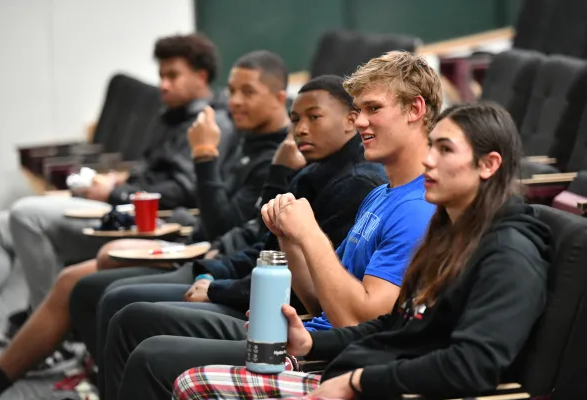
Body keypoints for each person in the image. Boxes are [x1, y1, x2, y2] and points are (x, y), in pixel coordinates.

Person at [104, 50, 443, 400]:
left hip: (328, 359)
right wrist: (291, 240)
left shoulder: (417, 208)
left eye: (373, 109)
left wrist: (309, 233)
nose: (360, 122)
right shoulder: (381, 196)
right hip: (309, 333)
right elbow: (318, 300)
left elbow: (357, 323)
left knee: (151, 355)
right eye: (359, 111)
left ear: (415, 110)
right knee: (133, 319)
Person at [173, 102, 552, 400]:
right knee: (192, 378)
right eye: (431, 145)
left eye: (445, 149)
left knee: (197, 384)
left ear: (488, 165)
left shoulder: (509, 255)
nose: (428, 160)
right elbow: (396, 324)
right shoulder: (450, 234)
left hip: (393, 391)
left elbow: (471, 366)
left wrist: (359, 381)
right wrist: (309, 342)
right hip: (365, 376)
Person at [0, 49, 289, 399]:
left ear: (279, 97)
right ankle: (80, 376)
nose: (235, 101)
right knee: (75, 270)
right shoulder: (245, 138)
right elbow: (212, 216)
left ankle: (77, 377)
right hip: (198, 243)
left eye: (248, 92)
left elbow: (223, 224)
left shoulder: (273, 153)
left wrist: (204, 156)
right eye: (233, 91)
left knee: (87, 278)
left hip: (214, 257)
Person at [0, 33, 236, 316]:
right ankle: (12, 333)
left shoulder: (211, 124)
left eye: (173, 76)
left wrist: (113, 192)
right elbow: (153, 172)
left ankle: (47, 325)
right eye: (161, 75)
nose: (163, 85)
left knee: (26, 215)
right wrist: (117, 181)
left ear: (201, 76)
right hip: (124, 204)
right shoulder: (173, 116)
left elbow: (182, 190)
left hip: (146, 220)